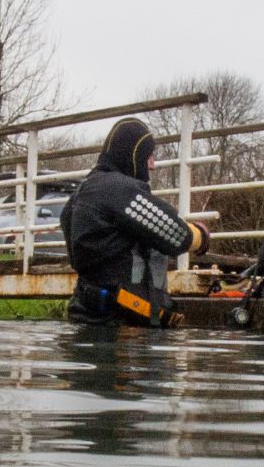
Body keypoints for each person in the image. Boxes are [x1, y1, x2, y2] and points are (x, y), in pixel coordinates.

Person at [63, 116, 208, 326]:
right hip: (124, 328)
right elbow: (176, 235)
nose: (152, 165)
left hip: (86, 316)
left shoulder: (79, 194)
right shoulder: (119, 191)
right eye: (149, 157)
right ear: (134, 156)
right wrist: (200, 235)